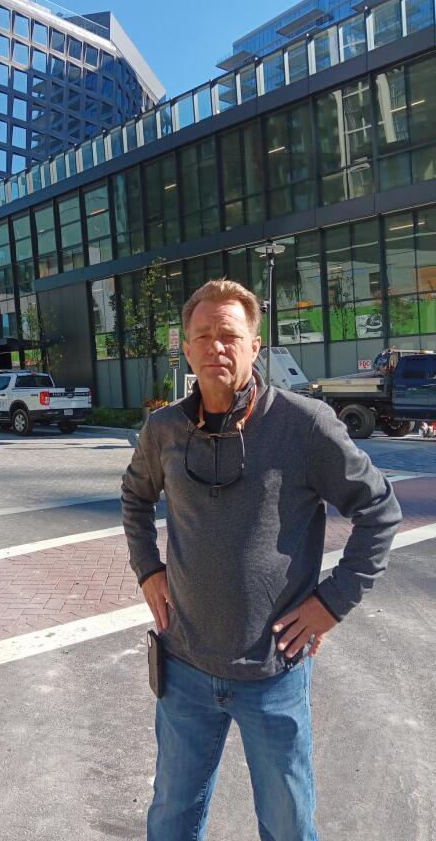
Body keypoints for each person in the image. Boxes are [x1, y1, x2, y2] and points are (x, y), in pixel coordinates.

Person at [121, 278, 402, 841]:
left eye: (229, 334)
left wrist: (331, 602)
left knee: (287, 825)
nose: (215, 347)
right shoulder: (164, 430)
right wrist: (148, 570)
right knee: (171, 819)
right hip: (184, 668)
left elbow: (379, 510)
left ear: (255, 344)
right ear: (186, 346)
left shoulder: (304, 425)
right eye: (202, 335)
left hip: (273, 673)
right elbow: (135, 497)